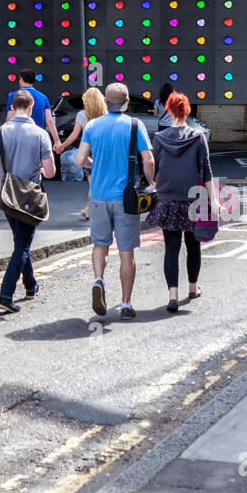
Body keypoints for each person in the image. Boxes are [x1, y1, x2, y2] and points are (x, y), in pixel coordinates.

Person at [76, 81, 154, 321]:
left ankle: (98, 278)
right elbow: (148, 160)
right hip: (126, 198)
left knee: (100, 244)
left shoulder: (92, 125)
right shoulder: (134, 125)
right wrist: (151, 182)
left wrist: (94, 165)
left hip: (98, 196)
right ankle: (126, 304)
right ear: (127, 102)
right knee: (126, 252)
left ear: (105, 102)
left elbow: (80, 160)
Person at [0, 88, 56, 313]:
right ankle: (5, 295)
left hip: (7, 197)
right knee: (22, 245)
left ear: (12, 108)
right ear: (32, 107)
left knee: (20, 243)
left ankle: (31, 285)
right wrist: (39, 167)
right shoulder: (41, 134)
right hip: (30, 197)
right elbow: (51, 172)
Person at [146, 91, 219, 313]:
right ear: (187, 111)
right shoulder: (198, 137)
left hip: (168, 199)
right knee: (193, 245)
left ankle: (173, 296)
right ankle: (193, 288)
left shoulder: (159, 138)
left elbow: (153, 167)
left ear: (168, 110)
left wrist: (156, 183)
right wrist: (213, 201)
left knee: (171, 248)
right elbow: (206, 170)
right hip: (193, 199)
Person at [57, 86, 106, 219]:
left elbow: (74, 135)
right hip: (104, 151)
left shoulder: (82, 115)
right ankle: (93, 208)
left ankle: (91, 209)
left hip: (88, 152)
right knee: (101, 181)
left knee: (92, 182)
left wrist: (62, 146)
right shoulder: (106, 114)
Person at [6, 70, 60, 151]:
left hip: (18, 137)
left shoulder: (14, 96)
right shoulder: (43, 97)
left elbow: (9, 119)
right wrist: (57, 141)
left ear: (22, 79)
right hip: (37, 137)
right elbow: (49, 121)